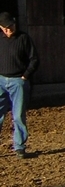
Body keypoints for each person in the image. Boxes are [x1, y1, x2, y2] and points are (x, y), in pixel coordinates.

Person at [0, 12, 39, 159]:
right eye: (6, 28)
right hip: (1, 80)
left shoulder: (23, 38)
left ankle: (19, 147)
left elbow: (34, 59)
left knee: (18, 115)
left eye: (11, 27)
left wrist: (25, 76)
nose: (9, 30)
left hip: (18, 81)